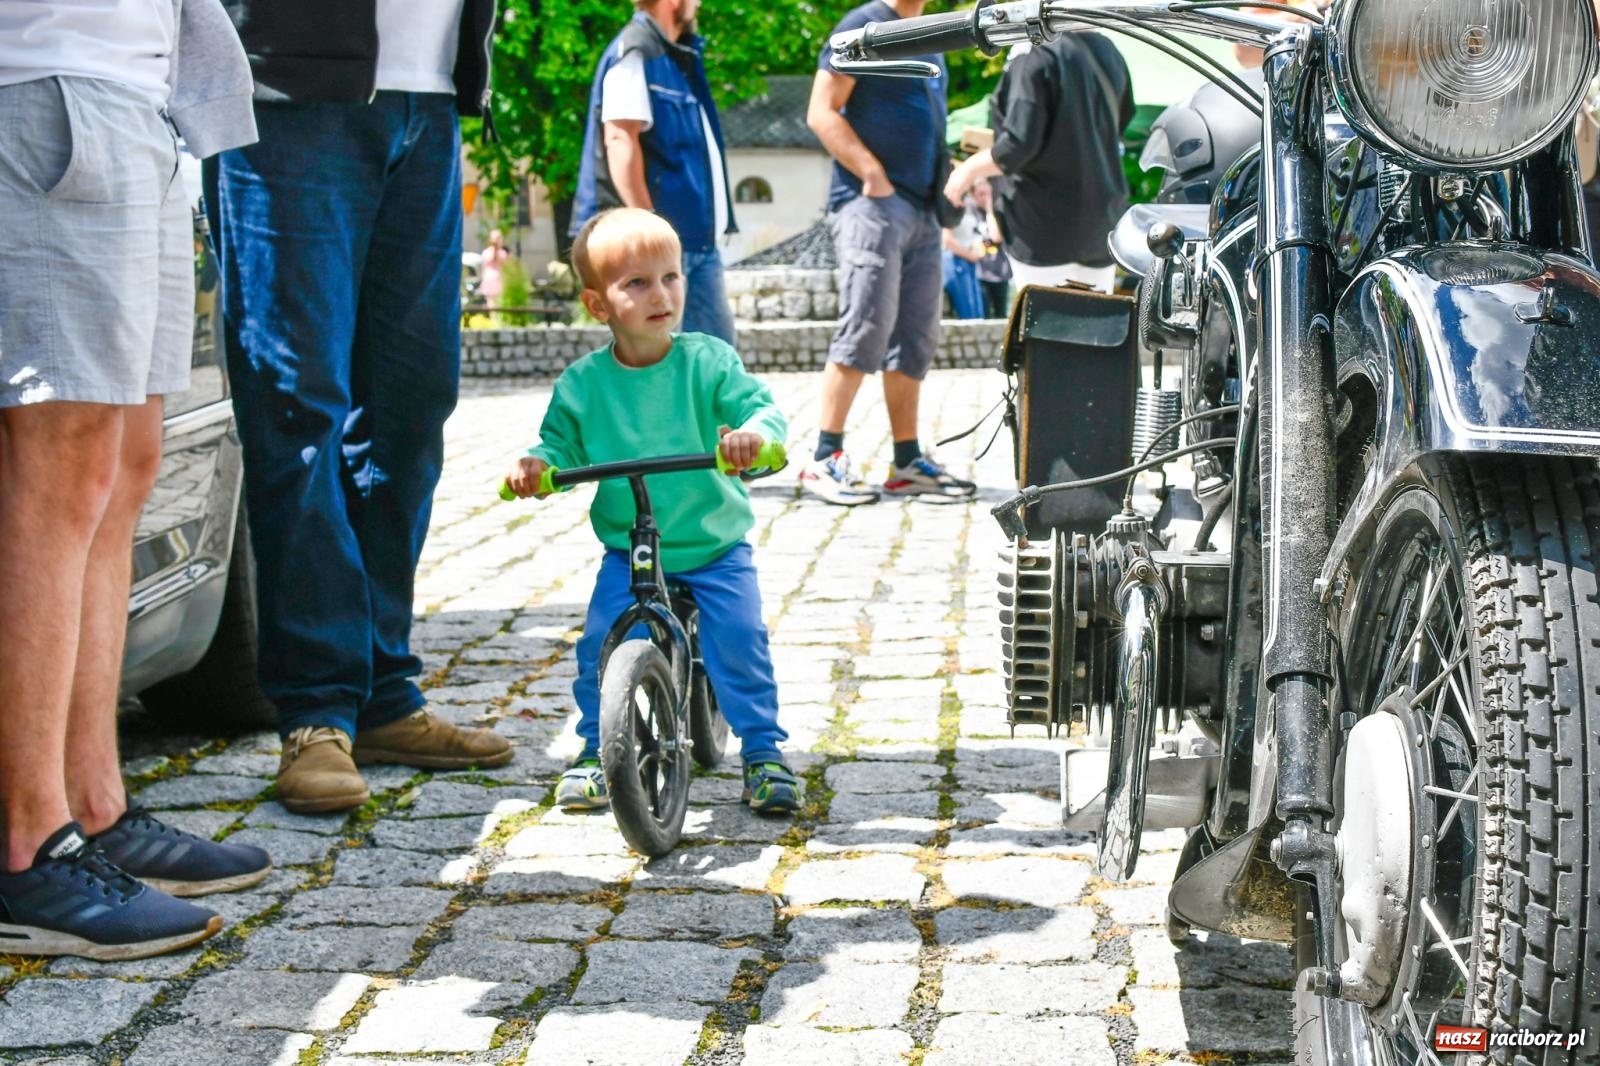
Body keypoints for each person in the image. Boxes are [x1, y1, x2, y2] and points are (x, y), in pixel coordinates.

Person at [0, 0, 273, 960]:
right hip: (45, 73)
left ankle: (93, 804)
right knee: (60, 458)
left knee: (128, 462)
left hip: (146, 97)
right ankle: (25, 841)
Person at [209, 0, 513, 816]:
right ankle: (316, 709)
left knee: (410, 410)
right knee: (298, 411)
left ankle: (380, 694)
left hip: (432, 95)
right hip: (291, 92)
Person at [503, 208, 802, 816]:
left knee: (739, 638)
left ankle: (763, 751)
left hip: (713, 545)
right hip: (631, 550)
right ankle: (596, 750)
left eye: (670, 277)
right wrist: (538, 466)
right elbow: (559, 446)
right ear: (598, 305)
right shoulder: (583, 385)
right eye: (637, 283)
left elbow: (759, 410)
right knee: (599, 642)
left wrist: (752, 437)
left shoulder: (708, 361)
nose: (660, 295)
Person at [801, 0, 978, 505]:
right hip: (872, 204)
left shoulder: (930, 36)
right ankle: (823, 457)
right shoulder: (864, 25)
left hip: (922, 210)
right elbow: (821, 110)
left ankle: (906, 462)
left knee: (915, 338)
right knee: (866, 325)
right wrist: (872, 174)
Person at [573, 0, 737, 344]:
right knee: (656, 361)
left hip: (695, 242)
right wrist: (651, 231)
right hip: (657, 251)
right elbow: (620, 139)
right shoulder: (636, 50)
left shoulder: (678, 57)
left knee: (718, 361)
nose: (699, 4)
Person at [944, 33, 1134, 294]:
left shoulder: (1033, 49)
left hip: (1042, 226)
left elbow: (1018, 144)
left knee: (1043, 319)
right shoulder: (1107, 49)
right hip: (1101, 224)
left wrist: (966, 171)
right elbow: (1121, 121)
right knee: (1094, 319)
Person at [972, 178, 1013, 318]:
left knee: (1001, 315)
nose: (984, 198)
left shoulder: (998, 212)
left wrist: (989, 210)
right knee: (984, 315)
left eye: (987, 194)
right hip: (981, 272)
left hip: (1000, 272)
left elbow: (996, 238)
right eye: (980, 194)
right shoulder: (971, 213)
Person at [941, 202, 986, 320]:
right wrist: (970, 255)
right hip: (955, 261)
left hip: (970, 262)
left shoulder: (970, 204)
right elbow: (946, 239)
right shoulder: (950, 202)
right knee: (968, 313)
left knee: (977, 314)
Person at [480, 228, 511, 310]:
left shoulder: (489, 253)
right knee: (495, 303)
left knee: (495, 302)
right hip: (495, 278)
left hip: (494, 278)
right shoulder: (498, 253)